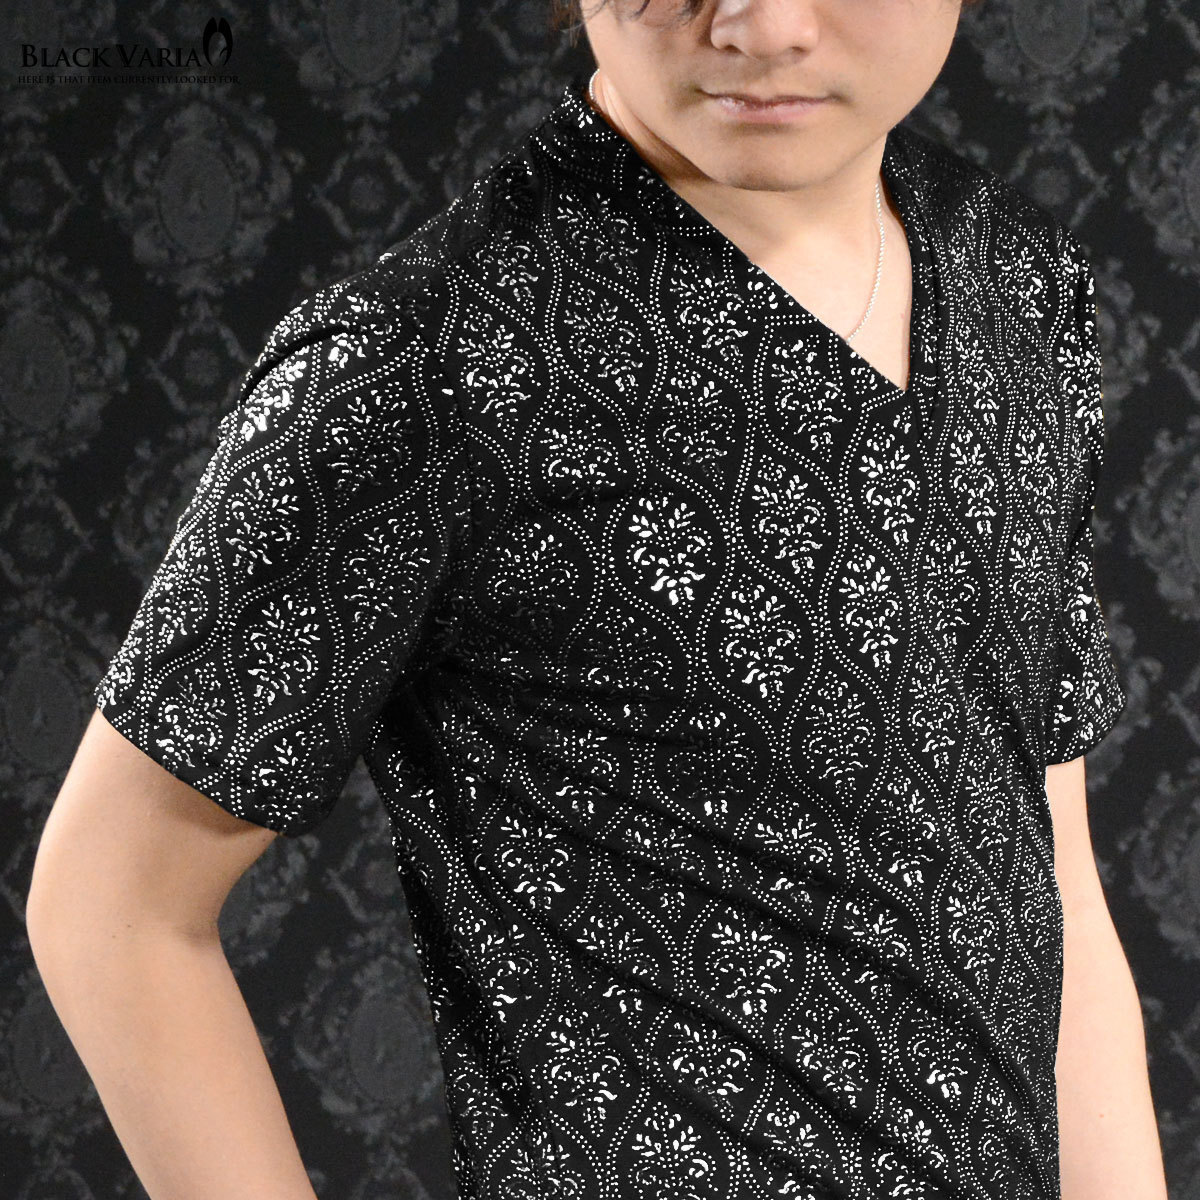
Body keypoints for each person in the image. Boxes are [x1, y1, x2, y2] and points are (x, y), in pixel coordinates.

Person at [27, 1, 1167, 1197]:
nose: (764, 25)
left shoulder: (1017, 277)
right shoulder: (431, 356)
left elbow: (1050, 864)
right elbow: (111, 902)